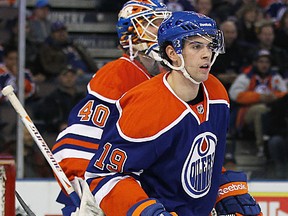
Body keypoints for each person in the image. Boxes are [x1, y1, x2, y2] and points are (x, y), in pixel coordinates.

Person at [80, 11, 262, 215]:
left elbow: (206, 162)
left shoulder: (217, 92)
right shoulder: (146, 106)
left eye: (210, 45)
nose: (206, 54)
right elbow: (105, 175)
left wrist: (228, 192)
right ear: (173, 53)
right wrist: (147, 211)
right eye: (196, 46)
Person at [51, 0, 170, 215]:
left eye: (164, 23)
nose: (163, 30)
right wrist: (86, 188)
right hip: (104, 188)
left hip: (141, 183)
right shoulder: (119, 74)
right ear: (131, 32)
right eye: (155, 23)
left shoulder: (164, 77)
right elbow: (76, 143)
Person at [229, 49, 287, 157]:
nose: (264, 65)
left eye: (267, 62)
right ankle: (261, 147)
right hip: (247, 111)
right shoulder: (246, 76)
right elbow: (234, 94)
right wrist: (259, 97)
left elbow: (284, 92)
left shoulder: (275, 77)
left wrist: (274, 96)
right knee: (260, 109)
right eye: (261, 62)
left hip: (271, 109)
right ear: (255, 63)